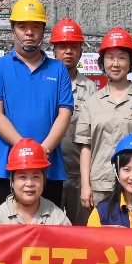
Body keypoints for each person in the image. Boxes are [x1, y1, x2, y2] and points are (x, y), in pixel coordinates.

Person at [0, 0, 74, 216]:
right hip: (6, 169)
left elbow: (64, 114)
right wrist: (27, 151)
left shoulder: (58, 69)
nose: (29, 32)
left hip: (49, 168)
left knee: (47, 228)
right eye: (23, 27)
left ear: (43, 31)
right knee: (7, 229)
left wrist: (42, 151)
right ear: (13, 30)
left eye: (35, 27)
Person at [75, 28, 132, 212]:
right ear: (102, 62)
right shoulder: (91, 103)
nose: (115, 64)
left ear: (130, 62)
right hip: (100, 185)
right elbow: (86, 147)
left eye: (121, 58)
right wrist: (85, 185)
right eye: (110, 58)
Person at [49, 17, 99, 214]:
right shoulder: (43, 83)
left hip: (79, 175)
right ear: (53, 50)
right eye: (63, 46)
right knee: (49, 225)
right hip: (48, 172)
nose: (68, 51)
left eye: (74, 46)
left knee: (81, 228)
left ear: (81, 51)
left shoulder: (90, 88)